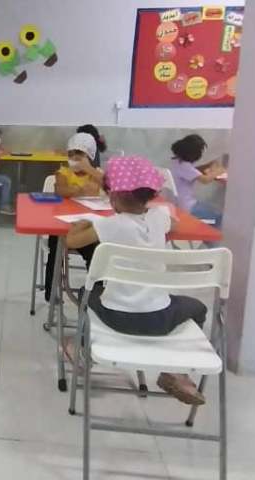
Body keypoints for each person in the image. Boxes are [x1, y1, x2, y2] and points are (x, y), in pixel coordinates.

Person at [65, 155, 208, 406]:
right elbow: (173, 224)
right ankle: (174, 372)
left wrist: (85, 221)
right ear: (149, 194)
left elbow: (71, 241)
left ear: (113, 196)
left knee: (86, 292)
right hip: (160, 317)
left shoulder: (110, 225)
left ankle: (80, 347)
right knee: (198, 308)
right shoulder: (159, 217)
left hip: (116, 316)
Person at [44, 133, 104, 301]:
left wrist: (89, 170)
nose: (75, 159)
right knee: (55, 251)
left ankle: (96, 293)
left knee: (96, 251)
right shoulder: (63, 172)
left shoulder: (96, 174)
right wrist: (79, 190)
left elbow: (106, 184)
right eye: (71, 155)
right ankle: (50, 292)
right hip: (63, 225)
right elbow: (60, 190)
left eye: (80, 155)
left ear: (89, 156)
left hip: (86, 226)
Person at [170, 134, 225, 227]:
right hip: (187, 207)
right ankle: (212, 236)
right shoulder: (185, 166)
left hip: (178, 204)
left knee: (212, 210)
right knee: (219, 218)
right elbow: (205, 180)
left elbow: (193, 171)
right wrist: (220, 170)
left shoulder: (177, 162)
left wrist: (209, 164)